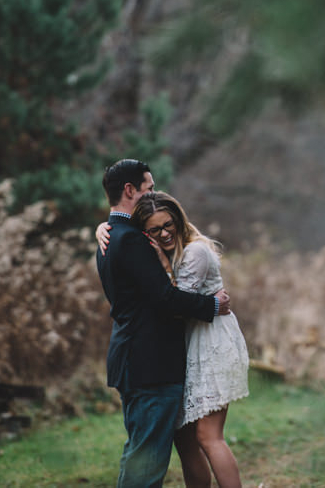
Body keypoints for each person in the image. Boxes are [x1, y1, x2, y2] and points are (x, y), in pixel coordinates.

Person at [96, 159, 231, 488]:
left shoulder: (113, 235)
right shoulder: (130, 240)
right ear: (130, 190)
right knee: (146, 461)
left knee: (141, 451)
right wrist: (212, 304)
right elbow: (165, 299)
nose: (154, 193)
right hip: (150, 364)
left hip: (135, 360)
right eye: (149, 187)